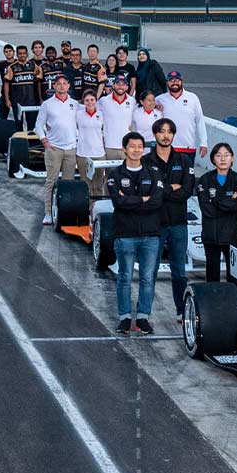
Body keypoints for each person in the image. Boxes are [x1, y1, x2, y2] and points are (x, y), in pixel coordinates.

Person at [108, 132, 165, 334]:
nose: (136, 149)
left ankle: (143, 317)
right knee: (124, 277)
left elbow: (157, 201)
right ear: (124, 149)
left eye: (140, 146)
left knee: (148, 278)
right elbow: (118, 202)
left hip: (151, 235)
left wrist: (132, 200)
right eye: (132, 146)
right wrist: (143, 199)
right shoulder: (115, 174)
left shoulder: (154, 173)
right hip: (125, 235)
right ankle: (124, 318)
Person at [148, 118, 195, 317]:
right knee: (149, 271)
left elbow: (187, 190)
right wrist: (170, 188)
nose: (165, 135)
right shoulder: (146, 162)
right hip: (154, 224)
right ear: (155, 134)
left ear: (173, 135)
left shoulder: (183, 160)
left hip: (178, 223)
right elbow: (149, 192)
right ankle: (144, 313)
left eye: (169, 132)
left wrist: (162, 191)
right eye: (161, 131)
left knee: (179, 271)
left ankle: (181, 311)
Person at [73, 88, 117, 272]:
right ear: (84, 102)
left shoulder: (102, 115)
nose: (90, 102)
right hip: (83, 154)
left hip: (99, 154)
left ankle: (98, 216)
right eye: (87, 100)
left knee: (99, 186)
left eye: (92, 100)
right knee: (85, 185)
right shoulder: (78, 114)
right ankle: (87, 215)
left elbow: (107, 132)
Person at [194, 142, 237, 285]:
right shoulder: (204, 180)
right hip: (211, 236)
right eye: (218, 155)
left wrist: (215, 201)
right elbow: (207, 209)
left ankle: (234, 306)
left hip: (232, 237)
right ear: (213, 159)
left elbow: (236, 206)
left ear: (232, 158)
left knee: (234, 279)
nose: (223, 159)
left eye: (226, 155)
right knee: (212, 279)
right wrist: (227, 201)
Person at [34, 75, 81, 226]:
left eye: (64, 84)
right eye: (58, 84)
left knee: (68, 182)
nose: (62, 86)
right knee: (51, 181)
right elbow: (39, 124)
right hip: (54, 148)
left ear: (68, 86)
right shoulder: (47, 104)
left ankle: (65, 212)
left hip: (71, 149)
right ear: (54, 86)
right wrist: (44, 141)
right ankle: (48, 213)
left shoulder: (75, 104)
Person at [155, 71, 206, 165]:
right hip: (167, 147)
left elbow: (200, 121)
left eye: (177, 80)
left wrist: (203, 143)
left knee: (187, 178)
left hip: (188, 147)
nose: (174, 82)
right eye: (171, 80)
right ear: (167, 83)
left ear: (182, 82)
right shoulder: (159, 99)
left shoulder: (193, 98)